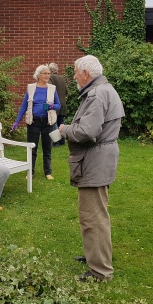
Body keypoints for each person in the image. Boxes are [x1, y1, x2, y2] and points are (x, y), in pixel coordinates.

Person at [58, 55, 125, 282]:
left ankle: (100, 272)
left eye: (76, 71)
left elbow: (87, 131)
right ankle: (96, 257)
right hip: (100, 159)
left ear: (86, 73)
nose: (74, 76)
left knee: (92, 218)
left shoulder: (97, 94)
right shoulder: (105, 89)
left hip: (95, 160)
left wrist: (65, 130)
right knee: (97, 214)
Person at [12, 65, 61, 180]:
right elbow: (24, 105)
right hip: (33, 122)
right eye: (45, 73)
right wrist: (17, 121)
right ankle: (30, 171)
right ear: (38, 75)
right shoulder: (31, 88)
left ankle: (48, 172)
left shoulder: (52, 88)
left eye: (48, 74)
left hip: (47, 122)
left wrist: (50, 106)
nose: (47, 76)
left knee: (47, 148)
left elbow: (58, 105)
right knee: (32, 148)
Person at [49, 62, 67, 146]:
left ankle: (56, 141)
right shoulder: (62, 78)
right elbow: (66, 91)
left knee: (54, 122)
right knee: (61, 122)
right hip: (63, 103)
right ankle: (62, 141)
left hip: (55, 103)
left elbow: (49, 90)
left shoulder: (51, 78)